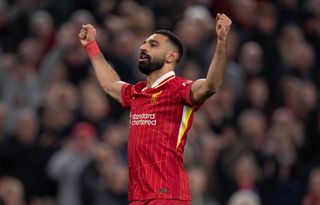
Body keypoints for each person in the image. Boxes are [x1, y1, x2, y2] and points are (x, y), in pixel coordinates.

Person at [79, 13, 232, 205]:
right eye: (144, 43)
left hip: (166, 194)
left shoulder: (180, 89)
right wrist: (91, 46)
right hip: (138, 195)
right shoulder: (137, 92)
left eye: (153, 45)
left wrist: (221, 41)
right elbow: (111, 85)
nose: (142, 47)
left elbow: (210, 85)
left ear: (171, 56)